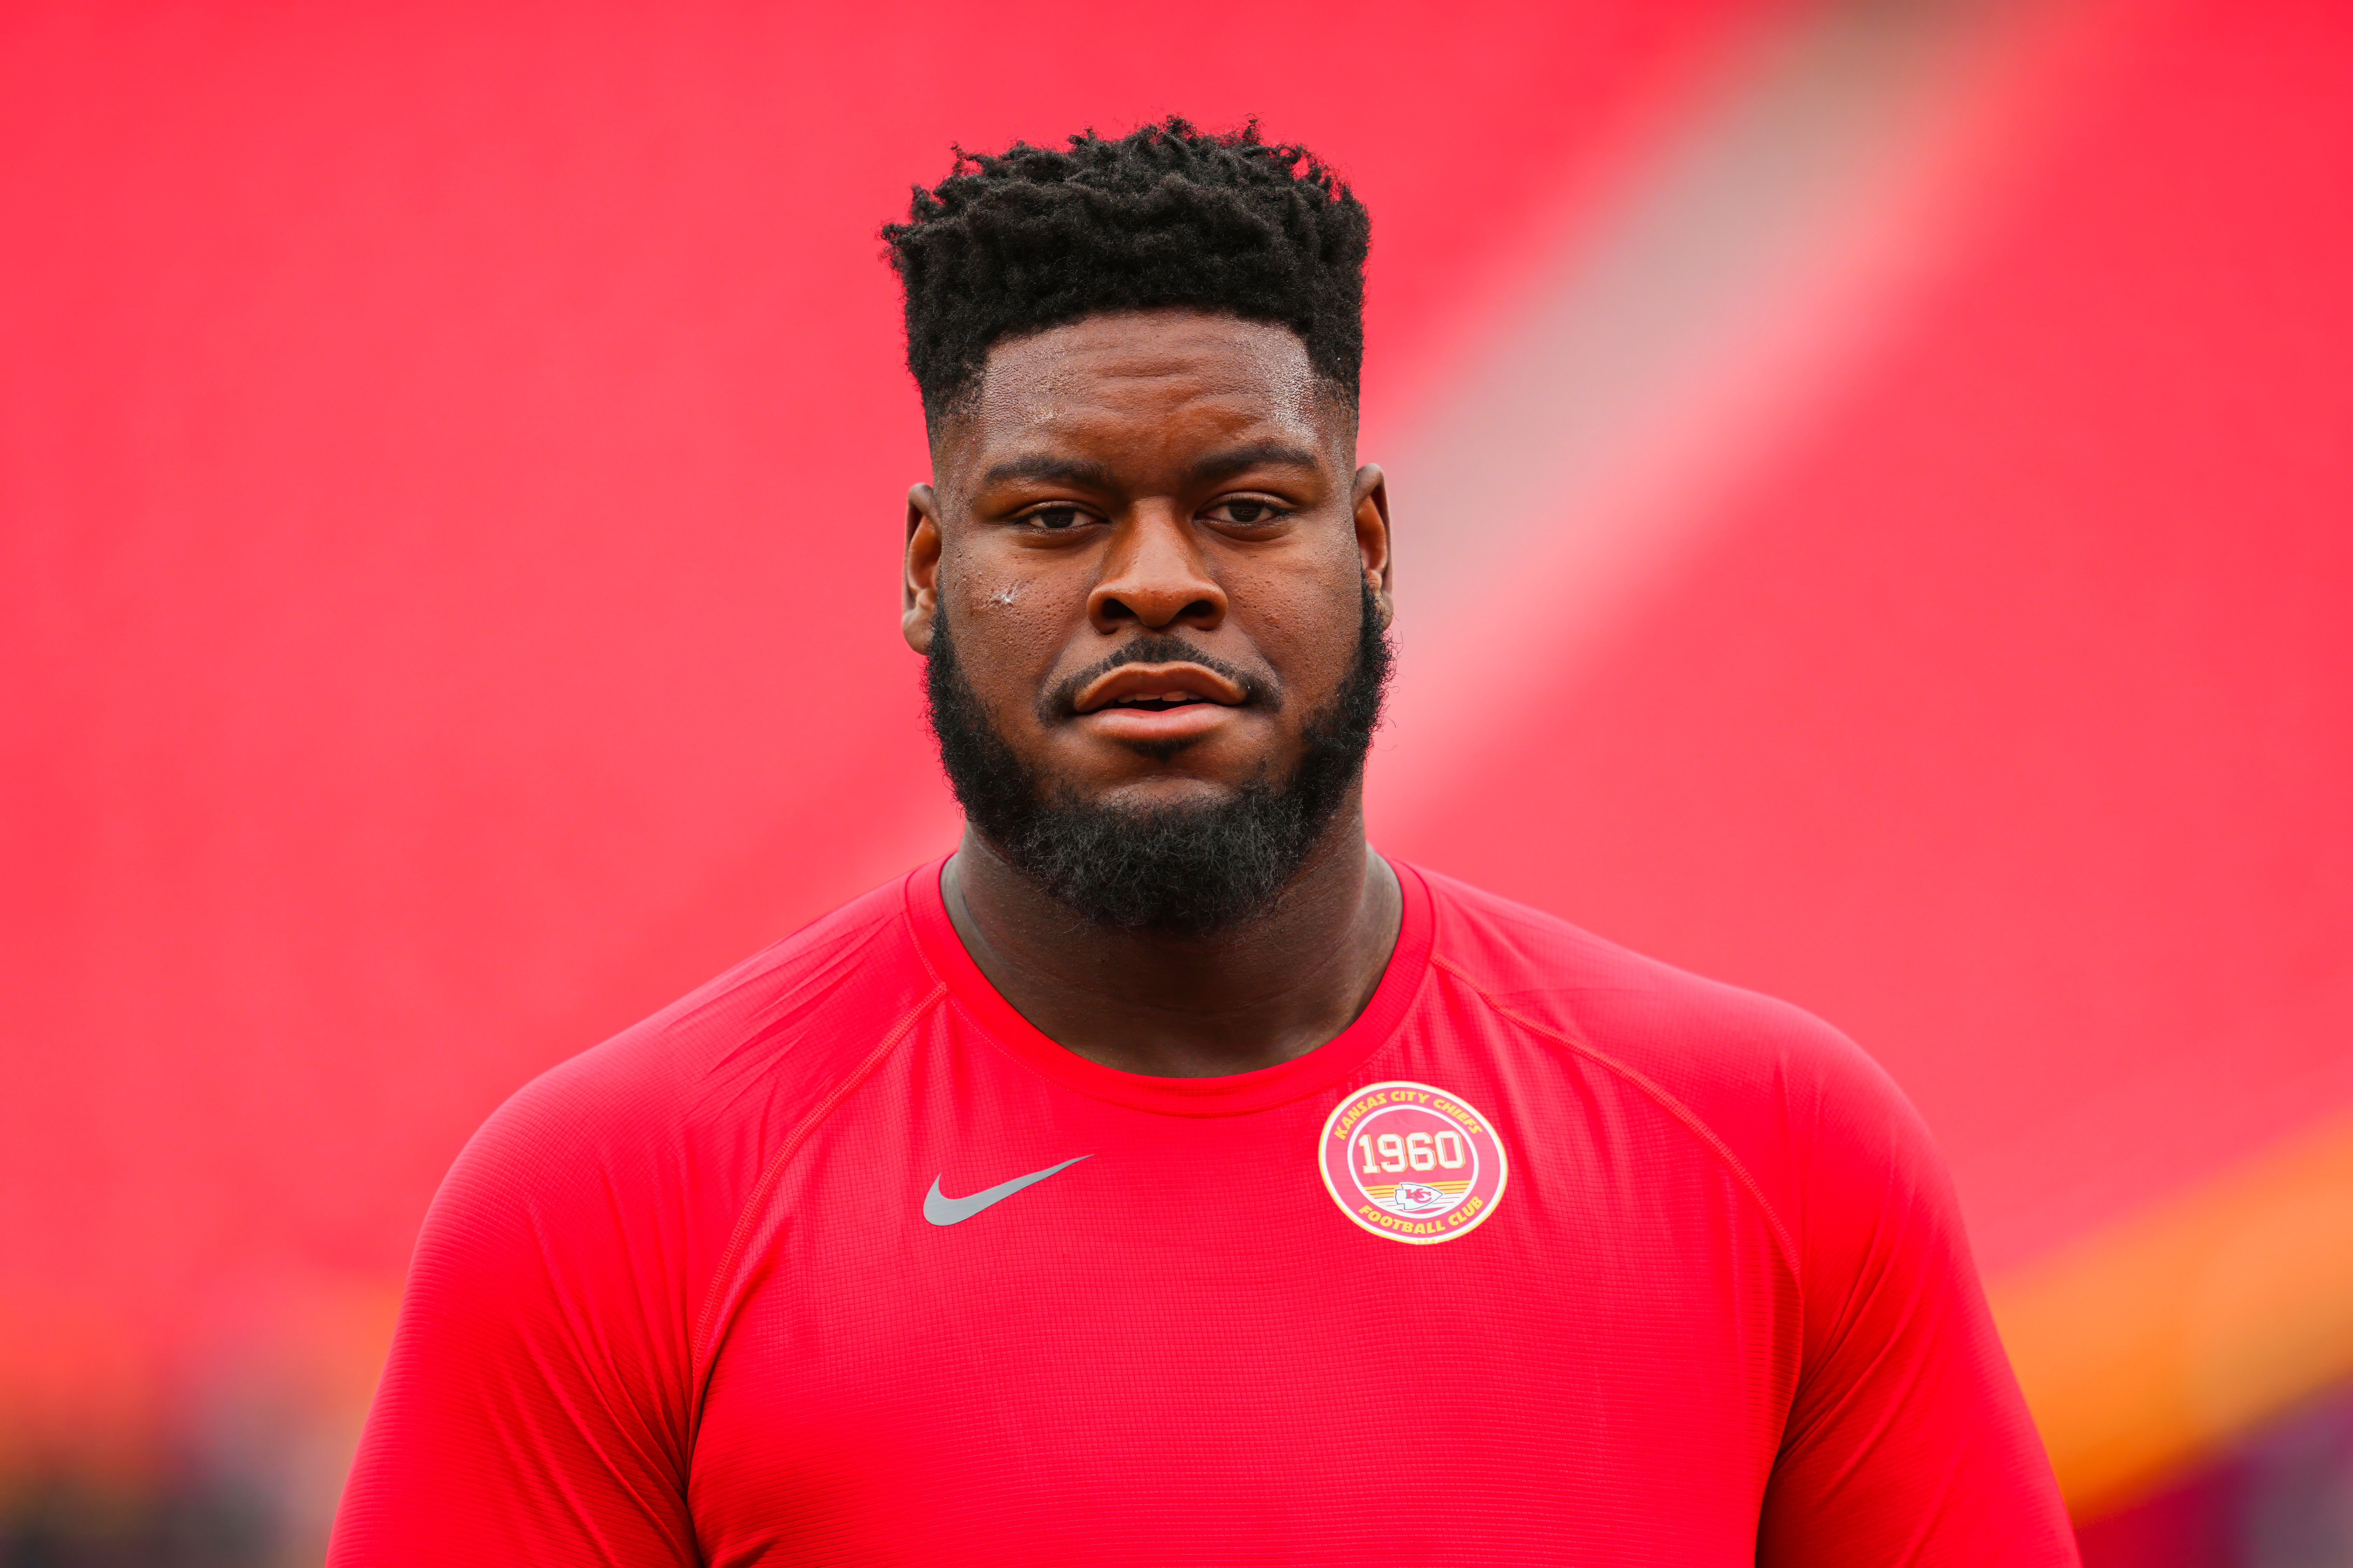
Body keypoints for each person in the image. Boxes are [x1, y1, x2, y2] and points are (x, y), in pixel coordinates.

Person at [329, 118, 2077, 1565]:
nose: (1156, 581)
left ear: (1373, 543)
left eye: (1245, 508)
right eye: (1060, 514)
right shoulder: (609, 1204)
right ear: (933, 573)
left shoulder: (1774, 1151)